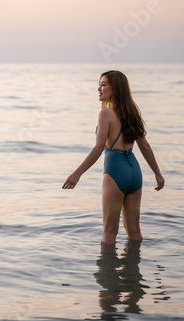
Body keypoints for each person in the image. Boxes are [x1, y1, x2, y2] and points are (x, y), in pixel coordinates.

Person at [62, 70, 164, 244]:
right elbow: (145, 147)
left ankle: (106, 271)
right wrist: (158, 174)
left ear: (115, 88)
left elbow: (100, 147)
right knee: (135, 232)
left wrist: (77, 173)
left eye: (103, 84)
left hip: (115, 171)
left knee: (109, 231)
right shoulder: (133, 114)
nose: (99, 89)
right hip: (134, 172)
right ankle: (134, 270)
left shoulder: (105, 114)